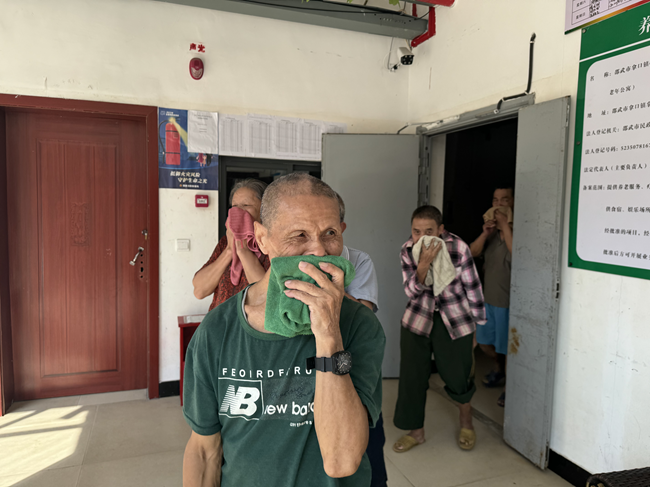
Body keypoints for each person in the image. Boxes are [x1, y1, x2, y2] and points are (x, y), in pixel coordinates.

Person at [182, 173, 386, 487]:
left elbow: (342, 461)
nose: (320, 251)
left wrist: (328, 334)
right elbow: (204, 450)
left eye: (330, 233)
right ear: (262, 239)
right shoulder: (217, 330)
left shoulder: (359, 325)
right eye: (299, 235)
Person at [393, 205, 486, 452]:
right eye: (416, 231)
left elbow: (473, 288)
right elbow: (411, 291)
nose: (421, 237)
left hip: (455, 320)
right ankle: (416, 431)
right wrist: (423, 264)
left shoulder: (458, 248)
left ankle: (466, 420)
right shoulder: (407, 250)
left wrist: (477, 327)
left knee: (458, 375)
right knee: (412, 377)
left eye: (429, 231)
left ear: (441, 230)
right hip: (417, 319)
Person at [336, 193, 386, 487]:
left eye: (329, 230)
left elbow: (365, 315)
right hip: (312, 366)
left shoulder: (358, 260)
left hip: (352, 360)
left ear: (341, 227)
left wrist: (332, 285)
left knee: (367, 434)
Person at [192, 179, 270, 310]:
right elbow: (199, 291)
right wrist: (229, 250)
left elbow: (266, 296)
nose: (238, 213)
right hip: (219, 322)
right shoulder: (224, 243)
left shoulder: (271, 245)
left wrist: (243, 251)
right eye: (235, 207)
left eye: (246, 205)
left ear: (264, 210)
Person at [470, 186, 514, 408]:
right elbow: (472, 253)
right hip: (488, 300)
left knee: (509, 349)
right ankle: (499, 369)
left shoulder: (517, 231)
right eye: (495, 200)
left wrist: (505, 225)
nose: (499, 204)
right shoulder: (492, 234)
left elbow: (518, 254)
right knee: (485, 343)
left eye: (504, 199)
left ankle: (509, 388)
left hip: (508, 304)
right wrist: (486, 233)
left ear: (513, 202)